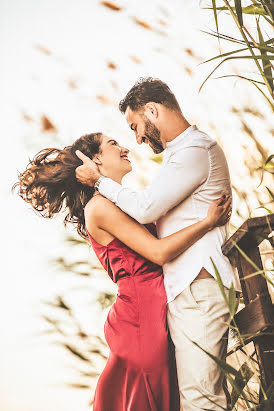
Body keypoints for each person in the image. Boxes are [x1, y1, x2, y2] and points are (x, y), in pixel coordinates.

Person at [14, 132, 232, 411]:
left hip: (155, 312)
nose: (125, 147)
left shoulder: (122, 203)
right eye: (113, 144)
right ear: (95, 160)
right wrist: (207, 222)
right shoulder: (99, 207)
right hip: (141, 320)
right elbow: (158, 252)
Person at [75, 78, 241, 410]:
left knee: (200, 399)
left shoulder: (194, 150)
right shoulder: (180, 155)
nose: (135, 139)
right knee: (192, 397)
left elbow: (147, 208)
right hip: (178, 295)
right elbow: (151, 221)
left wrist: (100, 181)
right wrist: (206, 222)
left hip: (197, 285)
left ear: (153, 109)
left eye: (135, 125)